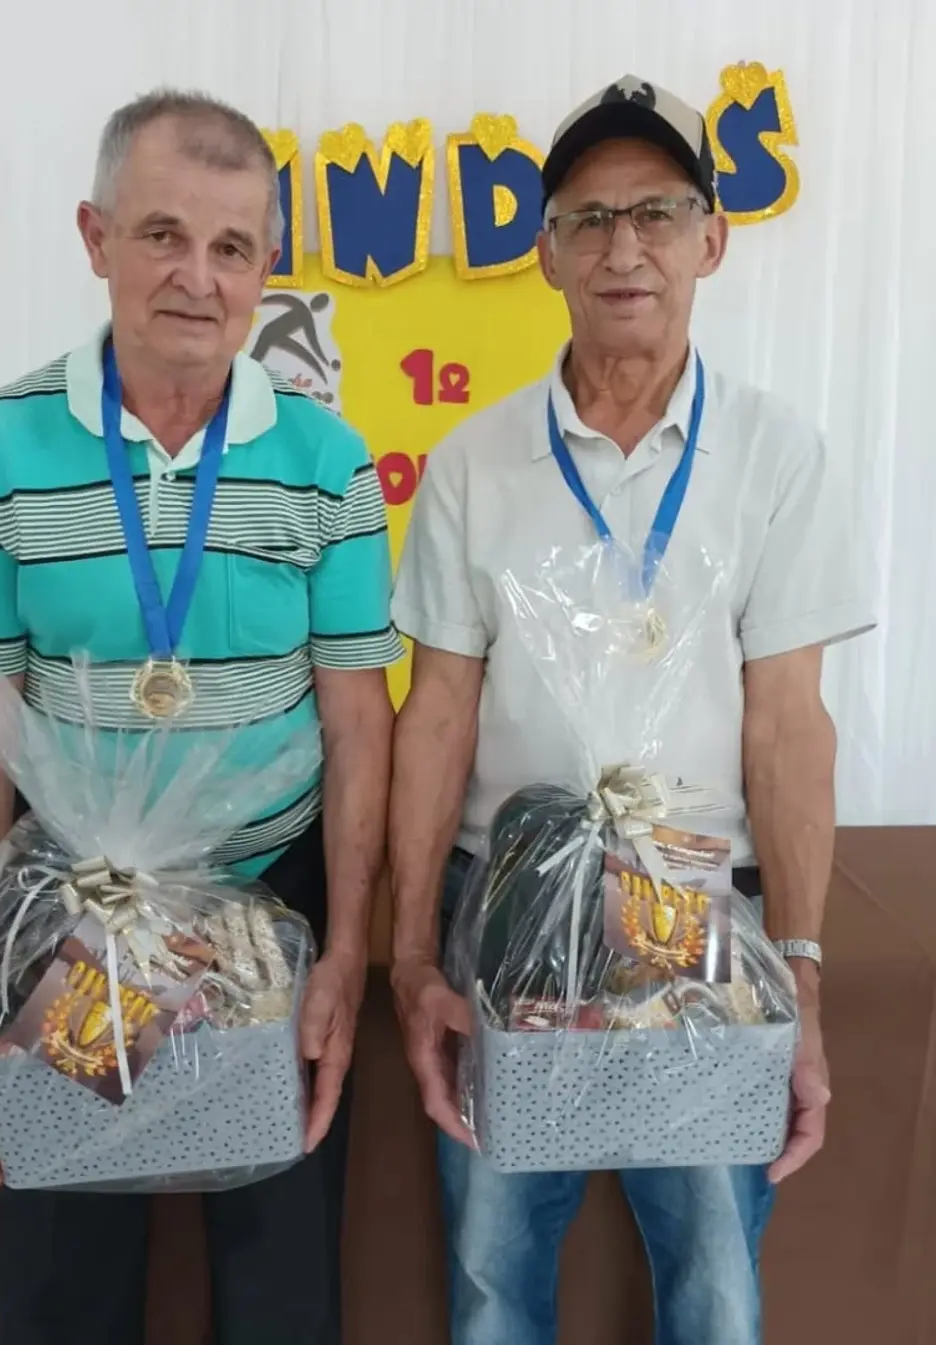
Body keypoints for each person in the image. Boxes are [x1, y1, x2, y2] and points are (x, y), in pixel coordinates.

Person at [0, 88, 402, 1345]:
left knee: (282, 1286)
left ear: (267, 266)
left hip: (271, 904)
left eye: (233, 246)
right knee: (64, 1281)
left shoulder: (329, 460)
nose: (199, 277)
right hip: (68, 914)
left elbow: (359, 718)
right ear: (96, 238)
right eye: (164, 234)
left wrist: (345, 951)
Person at [388, 75, 874, 1345]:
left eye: (657, 212)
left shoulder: (776, 456)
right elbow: (435, 715)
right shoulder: (473, 463)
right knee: (493, 1270)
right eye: (590, 219)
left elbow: (789, 726)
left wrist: (801, 972)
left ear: (712, 239)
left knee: (715, 1277)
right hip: (505, 914)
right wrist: (412, 954)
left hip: (704, 918)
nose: (624, 249)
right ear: (545, 252)